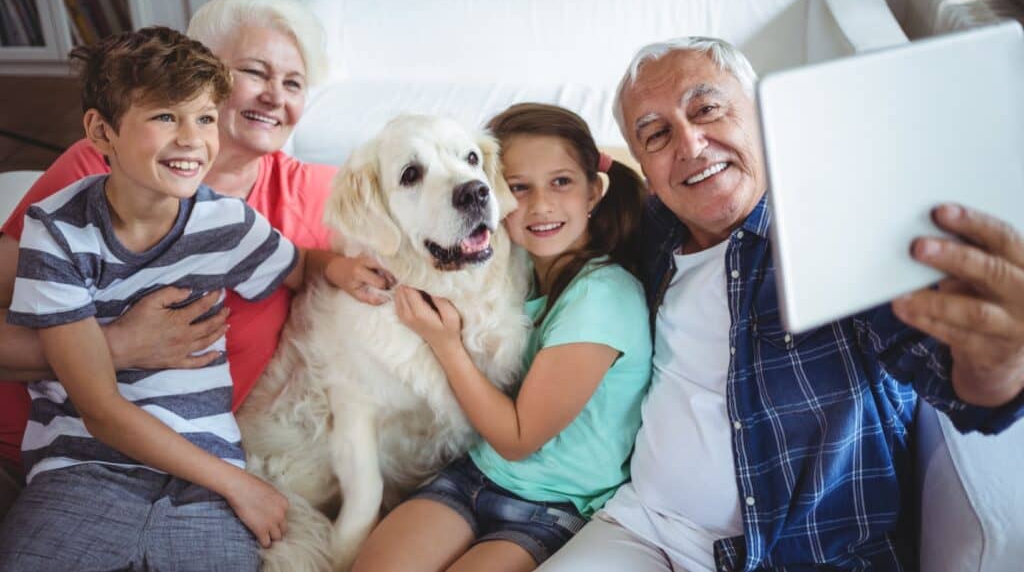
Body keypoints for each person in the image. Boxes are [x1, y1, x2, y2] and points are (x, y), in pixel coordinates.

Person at [538, 37, 1024, 572]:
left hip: (805, 557)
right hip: (644, 529)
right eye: (656, 134)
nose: (691, 144)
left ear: (764, 116)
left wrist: (1002, 361)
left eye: (707, 109)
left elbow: (956, 378)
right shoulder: (650, 231)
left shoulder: (840, 233)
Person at [0, 0, 387, 517]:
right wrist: (115, 346)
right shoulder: (97, 170)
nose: (275, 96)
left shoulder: (317, 195)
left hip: (192, 477)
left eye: (293, 84)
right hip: (44, 460)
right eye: (255, 72)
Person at [350, 103, 653, 572]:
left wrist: (444, 343)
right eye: (517, 188)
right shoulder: (522, 272)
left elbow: (517, 439)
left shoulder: (603, 297)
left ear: (594, 192)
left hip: (552, 504)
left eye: (561, 182)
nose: (539, 205)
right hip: (474, 473)